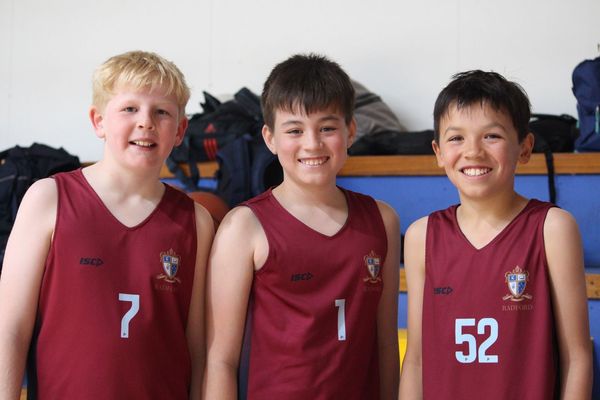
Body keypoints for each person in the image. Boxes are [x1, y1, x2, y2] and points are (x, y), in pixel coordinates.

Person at [0, 50, 214, 399]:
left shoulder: (196, 221)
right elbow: (9, 329)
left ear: (180, 130)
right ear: (98, 121)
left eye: (161, 112)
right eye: (130, 108)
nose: (146, 122)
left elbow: (198, 349)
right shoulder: (48, 198)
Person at [203, 54, 400, 400]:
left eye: (327, 128)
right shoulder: (244, 227)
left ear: (351, 131)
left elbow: (386, 345)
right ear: (270, 138)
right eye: (295, 130)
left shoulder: (382, 220)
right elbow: (220, 360)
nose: (312, 143)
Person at [399, 70, 592, 399]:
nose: (473, 151)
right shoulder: (422, 235)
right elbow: (416, 360)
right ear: (438, 152)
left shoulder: (553, 228)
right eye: (456, 138)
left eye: (491, 136)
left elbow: (577, 357)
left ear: (524, 148)